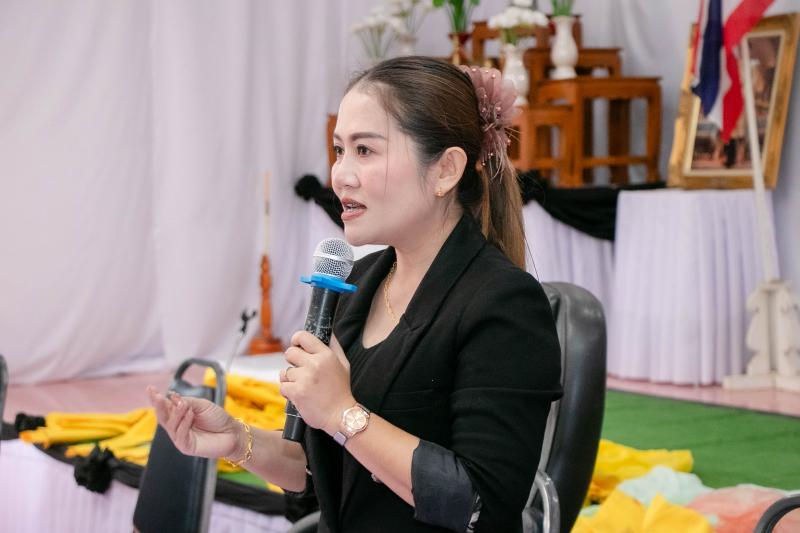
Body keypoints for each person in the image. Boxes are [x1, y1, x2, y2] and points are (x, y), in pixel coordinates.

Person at [148, 56, 562, 533]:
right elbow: (319, 472)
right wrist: (238, 441)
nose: (340, 174)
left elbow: (480, 505)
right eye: (339, 150)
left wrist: (343, 412)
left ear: (446, 170)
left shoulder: (504, 303)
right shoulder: (358, 282)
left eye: (365, 150)